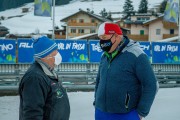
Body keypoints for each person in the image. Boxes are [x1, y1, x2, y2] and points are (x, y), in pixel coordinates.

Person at [94, 22, 158, 120]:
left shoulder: (136, 55)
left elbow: (152, 85)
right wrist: (96, 100)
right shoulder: (104, 56)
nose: (102, 41)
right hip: (101, 112)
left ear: (117, 36)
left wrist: (141, 112)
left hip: (126, 114)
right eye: (100, 38)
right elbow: (99, 80)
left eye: (105, 37)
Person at [19, 36, 70, 120]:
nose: (58, 54)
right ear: (46, 55)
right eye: (55, 52)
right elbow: (32, 113)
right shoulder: (34, 78)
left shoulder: (47, 72)